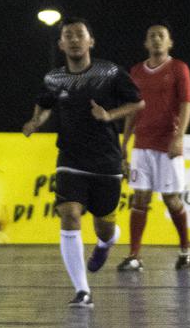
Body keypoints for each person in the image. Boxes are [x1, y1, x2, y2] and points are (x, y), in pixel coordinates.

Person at [23, 17, 144, 307]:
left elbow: (137, 103)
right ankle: (82, 291)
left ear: (91, 41)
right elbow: (44, 103)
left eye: (80, 35)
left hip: (106, 161)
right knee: (70, 214)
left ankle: (106, 242)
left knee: (104, 226)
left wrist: (109, 116)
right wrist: (36, 120)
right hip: (70, 158)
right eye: (69, 35)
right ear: (61, 44)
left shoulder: (110, 72)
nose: (75, 39)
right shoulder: (54, 78)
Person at [118, 24, 190, 272]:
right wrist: (125, 142)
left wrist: (179, 137)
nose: (157, 40)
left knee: (171, 200)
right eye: (152, 36)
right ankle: (134, 255)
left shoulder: (178, 68)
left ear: (170, 42)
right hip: (142, 146)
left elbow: (186, 105)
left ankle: (186, 249)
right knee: (139, 199)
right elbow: (132, 109)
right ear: (146, 44)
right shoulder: (137, 71)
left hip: (167, 145)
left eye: (162, 36)